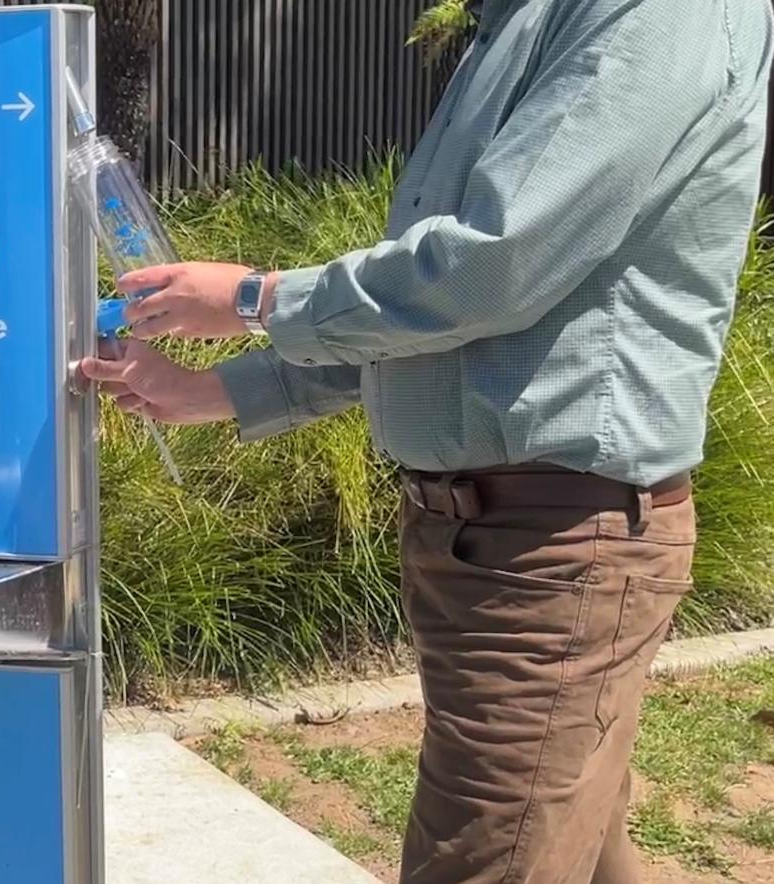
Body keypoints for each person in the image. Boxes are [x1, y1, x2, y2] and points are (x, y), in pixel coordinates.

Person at [81, 0, 773, 881]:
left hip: (554, 547)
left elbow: (491, 264)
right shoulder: (526, 21)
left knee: (492, 854)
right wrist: (215, 389)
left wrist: (258, 299)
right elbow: (442, 317)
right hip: (501, 545)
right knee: (567, 846)